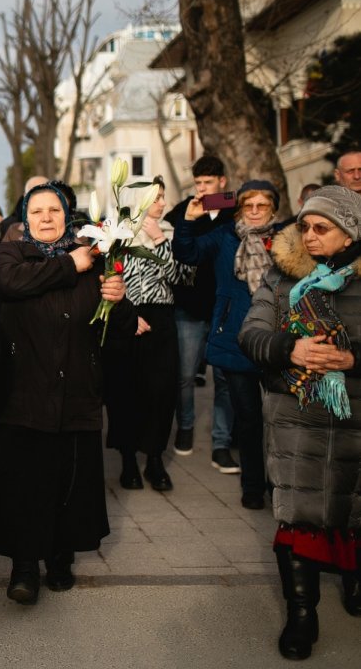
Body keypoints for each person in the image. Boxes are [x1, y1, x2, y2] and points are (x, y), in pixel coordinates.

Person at [0, 181, 133, 605]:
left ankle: (60, 556)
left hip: (77, 390)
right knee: (23, 483)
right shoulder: (13, 253)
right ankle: (24, 566)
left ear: (67, 215)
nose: (46, 218)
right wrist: (71, 264)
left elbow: (119, 329)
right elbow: (12, 285)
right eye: (37, 211)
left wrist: (119, 301)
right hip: (21, 391)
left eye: (54, 210)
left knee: (68, 480)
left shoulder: (97, 257)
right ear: (25, 218)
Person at [238, 185, 361, 659]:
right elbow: (252, 334)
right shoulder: (282, 277)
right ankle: (301, 613)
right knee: (299, 515)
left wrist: (352, 359)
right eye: (305, 226)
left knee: (353, 508)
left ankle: (353, 584)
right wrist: (289, 349)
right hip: (296, 416)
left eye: (321, 228)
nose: (309, 236)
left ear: (349, 233)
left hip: (354, 413)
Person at [174, 179, 282, 509]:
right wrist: (189, 219)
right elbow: (186, 252)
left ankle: (277, 484)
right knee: (248, 418)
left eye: (261, 206)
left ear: (273, 209)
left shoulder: (288, 240)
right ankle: (252, 486)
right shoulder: (224, 237)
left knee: (278, 420)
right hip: (236, 337)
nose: (253, 212)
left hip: (278, 340)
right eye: (247, 205)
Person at [103, 178, 188, 492]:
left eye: (164, 197)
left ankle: (154, 459)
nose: (162, 204)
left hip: (161, 318)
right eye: (156, 198)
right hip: (125, 319)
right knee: (125, 392)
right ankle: (128, 462)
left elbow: (182, 277)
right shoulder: (117, 233)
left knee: (161, 393)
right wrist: (127, 315)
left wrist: (161, 243)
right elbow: (107, 277)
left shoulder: (169, 232)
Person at [164, 155, 237, 465]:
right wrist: (190, 218)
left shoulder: (235, 208)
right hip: (189, 304)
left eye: (209, 182)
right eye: (198, 183)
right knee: (183, 375)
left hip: (224, 305)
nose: (203, 188)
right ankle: (186, 427)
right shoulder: (184, 210)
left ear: (222, 181)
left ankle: (222, 441)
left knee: (224, 376)